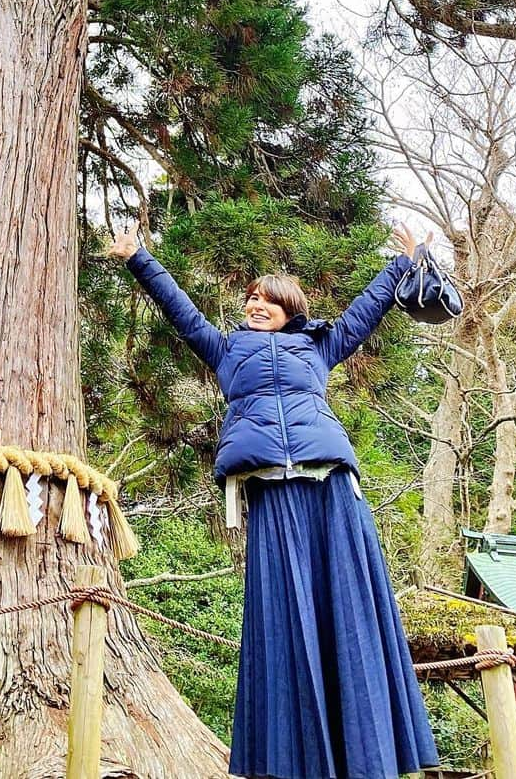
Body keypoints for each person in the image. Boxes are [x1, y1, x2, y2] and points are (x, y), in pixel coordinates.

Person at [106, 221, 439, 779]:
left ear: (292, 309)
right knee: (284, 616)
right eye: (252, 298)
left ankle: (367, 756)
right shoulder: (226, 351)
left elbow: (366, 310)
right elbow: (181, 311)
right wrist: (140, 257)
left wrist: (404, 265)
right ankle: (291, 762)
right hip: (271, 494)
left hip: (331, 487)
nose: (257, 304)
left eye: (270, 300)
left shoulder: (319, 347)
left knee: (347, 612)